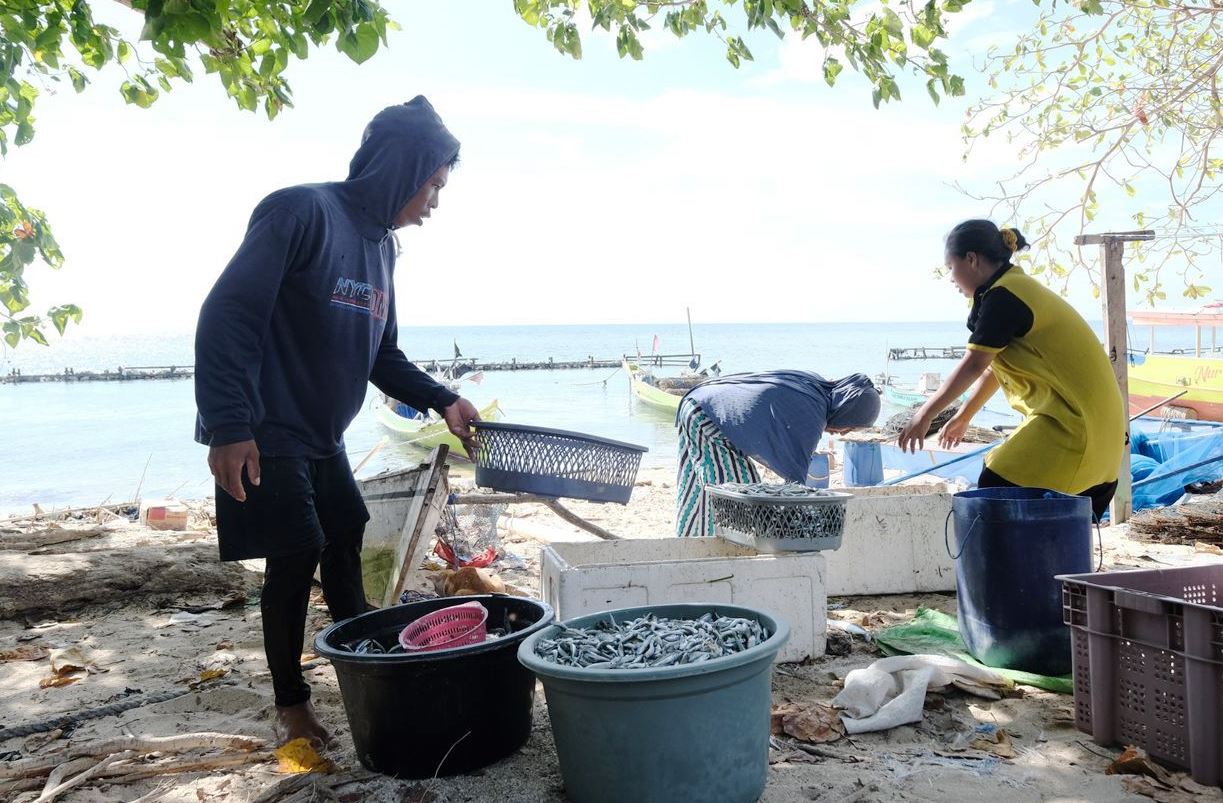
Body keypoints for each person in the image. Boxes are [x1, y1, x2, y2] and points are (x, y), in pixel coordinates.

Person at [193, 97, 480, 747]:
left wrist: (443, 398)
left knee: (345, 532)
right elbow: (227, 313)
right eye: (433, 183)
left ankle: (367, 661)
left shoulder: (384, 251)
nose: (434, 201)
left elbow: (382, 353)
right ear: (403, 167)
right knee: (294, 554)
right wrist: (228, 424)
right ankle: (291, 704)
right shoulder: (300, 211)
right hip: (265, 428)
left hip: (323, 437)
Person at [897, 219, 1126, 519]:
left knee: (995, 485)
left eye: (950, 267)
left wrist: (924, 415)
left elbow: (975, 364)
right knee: (1053, 544)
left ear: (971, 259)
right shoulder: (1016, 288)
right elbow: (994, 369)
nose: (950, 278)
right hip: (1105, 449)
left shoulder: (1005, 296)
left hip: (1075, 435)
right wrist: (963, 416)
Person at [675, 371, 882, 537]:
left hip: (700, 403)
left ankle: (690, 543)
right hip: (706, 415)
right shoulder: (812, 413)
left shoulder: (816, 388)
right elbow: (795, 483)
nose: (841, 432)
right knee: (739, 494)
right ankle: (720, 552)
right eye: (848, 427)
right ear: (847, 411)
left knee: (701, 490)